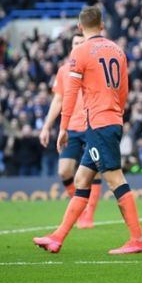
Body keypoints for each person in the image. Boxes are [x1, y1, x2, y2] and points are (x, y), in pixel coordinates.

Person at [33, 5, 142, 254]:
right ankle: (57, 237)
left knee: (114, 178)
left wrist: (63, 128)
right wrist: (118, 112)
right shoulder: (117, 50)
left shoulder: (80, 51)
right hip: (110, 119)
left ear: (79, 27)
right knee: (81, 178)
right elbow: (124, 89)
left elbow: (71, 93)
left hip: (98, 123)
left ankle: (137, 239)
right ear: (102, 26)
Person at [39, 33, 102, 229]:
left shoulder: (94, 68)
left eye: (82, 42)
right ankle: (80, 208)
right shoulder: (64, 71)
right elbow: (58, 100)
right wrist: (47, 126)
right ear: (71, 47)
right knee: (64, 171)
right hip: (71, 129)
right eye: (75, 43)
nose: (78, 45)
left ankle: (88, 215)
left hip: (92, 125)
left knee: (95, 171)